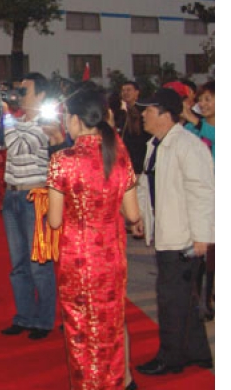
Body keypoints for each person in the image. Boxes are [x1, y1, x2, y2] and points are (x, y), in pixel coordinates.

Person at [46, 89, 141, 389]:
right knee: (111, 326)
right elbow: (133, 214)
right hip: (112, 257)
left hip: (77, 260)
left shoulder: (62, 160)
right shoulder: (120, 155)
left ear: (75, 119)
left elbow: (55, 220)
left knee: (80, 331)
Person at [134, 88, 215, 376]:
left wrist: (202, 236)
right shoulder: (156, 144)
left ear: (165, 114)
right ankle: (198, 352)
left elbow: (202, 192)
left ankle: (171, 358)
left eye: (148, 110)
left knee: (170, 299)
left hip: (182, 237)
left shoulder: (188, 145)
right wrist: (141, 216)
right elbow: (147, 185)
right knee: (183, 297)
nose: (143, 115)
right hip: (167, 232)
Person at [0, 72, 58, 340]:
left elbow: (17, 147)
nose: (19, 96)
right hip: (12, 196)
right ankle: (24, 316)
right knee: (18, 263)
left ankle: (44, 320)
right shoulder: (14, 122)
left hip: (35, 197)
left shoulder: (47, 124)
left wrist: (6, 115)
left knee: (39, 263)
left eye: (24, 91)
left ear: (41, 95)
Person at [181, 81, 215, 321]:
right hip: (198, 200)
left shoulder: (199, 125)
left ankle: (210, 296)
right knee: (199, 253)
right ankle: (198, 300)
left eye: (208, 99)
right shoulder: (191, 129)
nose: (203, 104)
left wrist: (196, 122)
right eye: (200, 99)